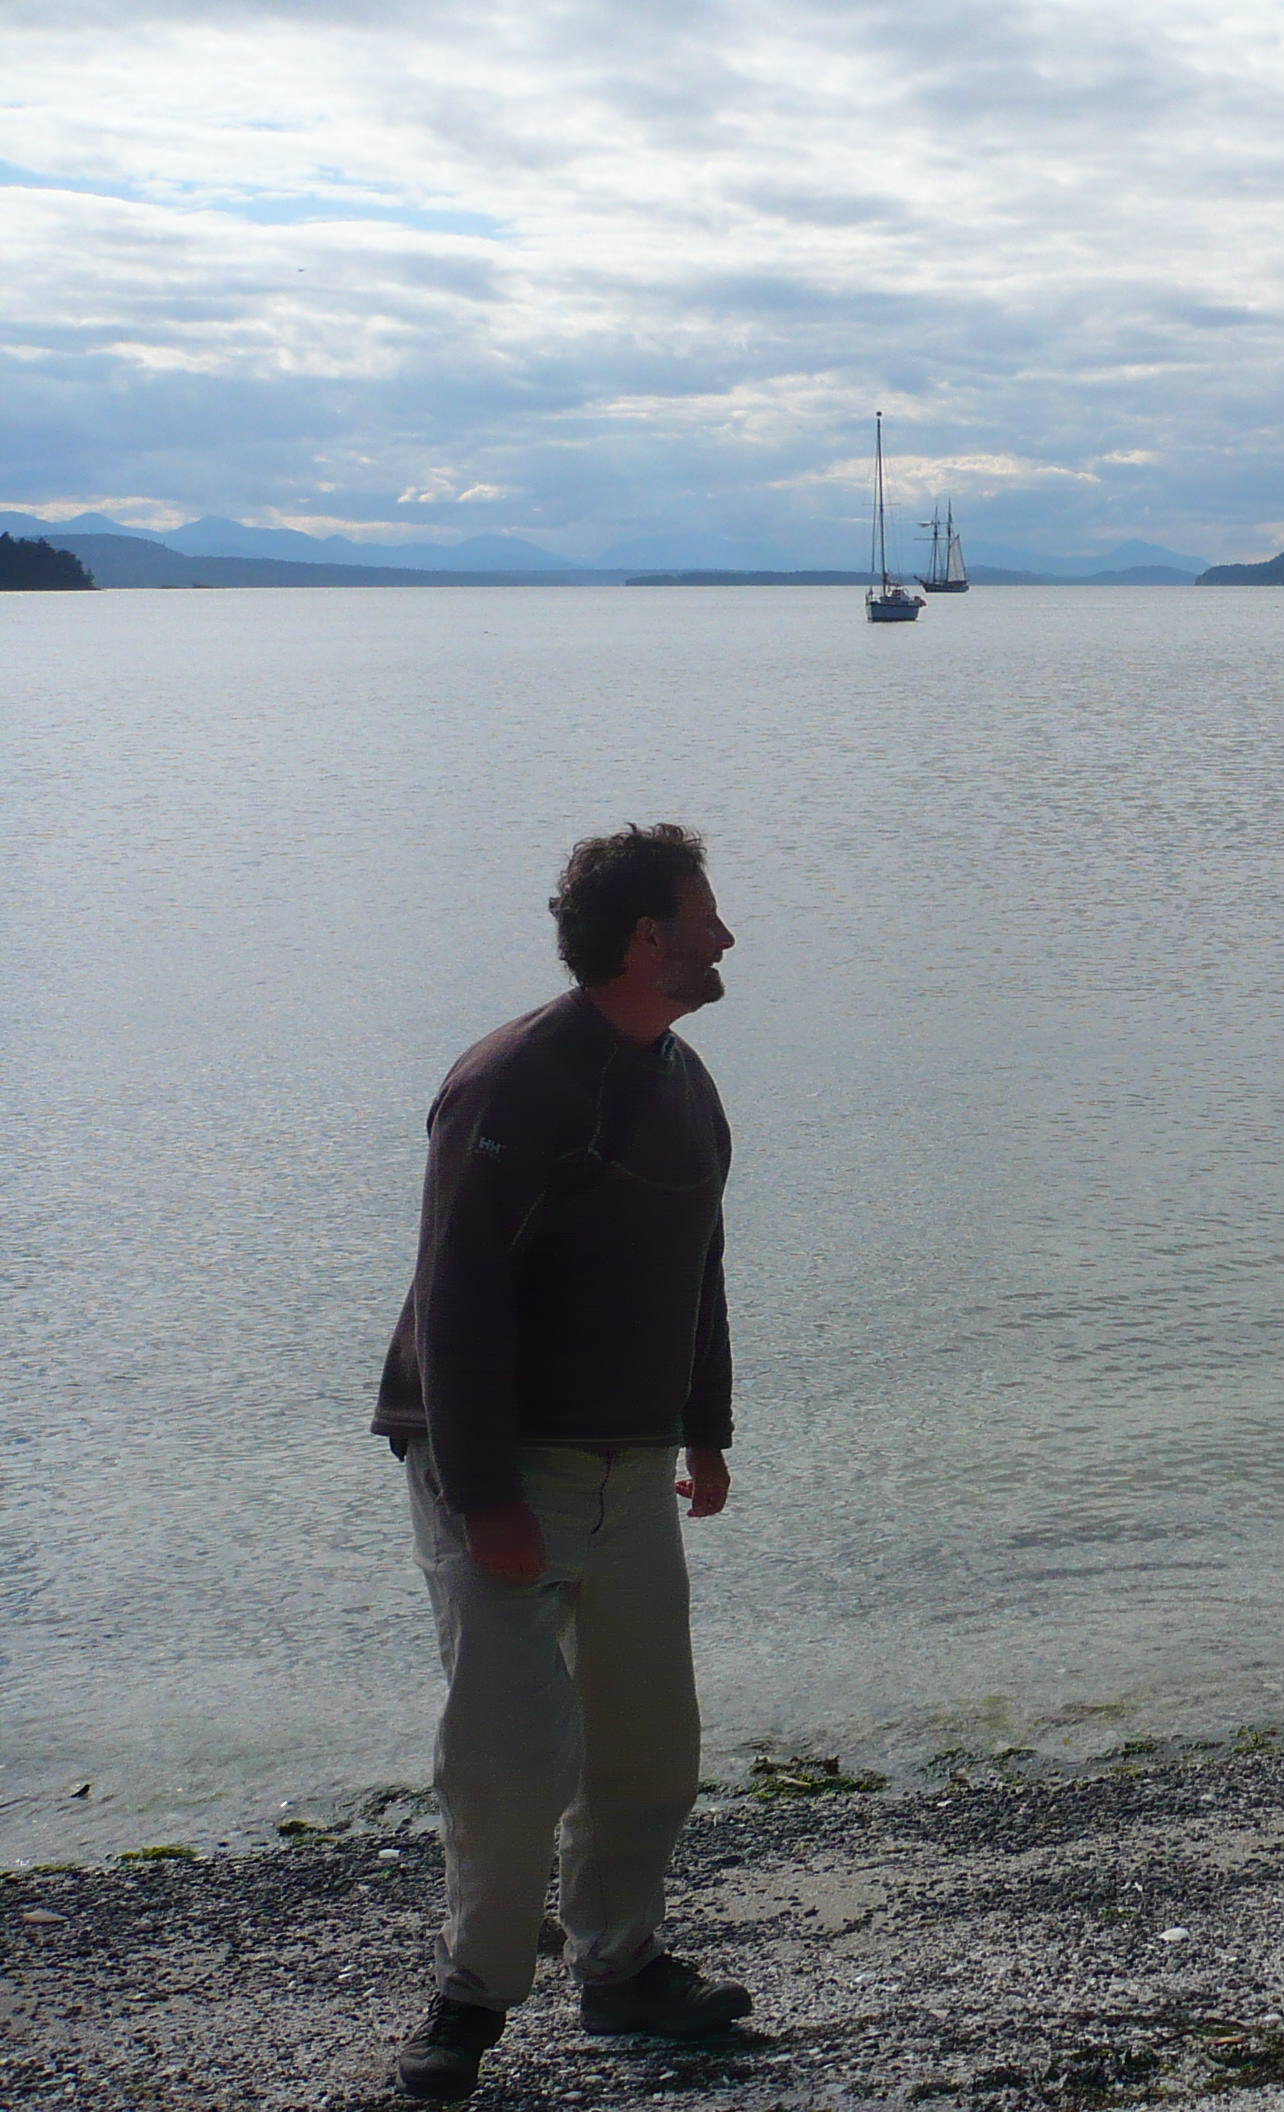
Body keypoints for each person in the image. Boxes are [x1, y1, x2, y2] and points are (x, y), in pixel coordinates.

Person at [372, 824, 752, 2101]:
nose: (724, 936)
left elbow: (699, 1266)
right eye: (703, 916)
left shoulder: (686, 1083)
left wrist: (706, 1429)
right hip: (500, 1466)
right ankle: (468, 2003)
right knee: (510, 1754)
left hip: (631, 1465)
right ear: (645, 938)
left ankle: (620, 1967)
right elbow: (458, 1295)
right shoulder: (514, 1080)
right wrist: (484, 1496)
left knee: (649, 1743)